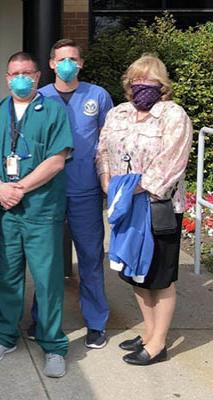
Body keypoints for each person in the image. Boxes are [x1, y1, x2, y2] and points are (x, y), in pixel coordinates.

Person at [0, 52, 73, 378]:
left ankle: (53, 344)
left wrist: (20, 188)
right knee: (6, 275)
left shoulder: (53, 111)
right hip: (5, 210)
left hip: (41, 210)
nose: (20, 78)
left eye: (26, 73)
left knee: (47, 280)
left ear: (37, 77)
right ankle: (4, 336)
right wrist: (0, 187)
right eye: (14, 73)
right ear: (6, 78)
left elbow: (57, 159)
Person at [96, 54, 192, 365]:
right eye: (138, 80)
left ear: (162, 85)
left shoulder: (173, 115)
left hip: (157, 205)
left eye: (151, 81)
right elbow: (103, 150)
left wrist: (129, 188)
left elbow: (172, 163)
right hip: (124, 206)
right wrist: (107, 179)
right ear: (129, 84)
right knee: (135, 273)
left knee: (159, 275)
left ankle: (158, 344)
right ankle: (149, 332)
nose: (143, 86)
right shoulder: (119, 113)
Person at [27, 39, 113, 348]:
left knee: (90, 256)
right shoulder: (40, 97)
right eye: (61, 59)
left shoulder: (98, 96)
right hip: (48, 190)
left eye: (73, 59)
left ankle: (96, 322)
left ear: (81, 63)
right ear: (51, 64)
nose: (67, 64)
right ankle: (41, 318)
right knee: (45, 258)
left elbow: (108, 144)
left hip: (85, 190)